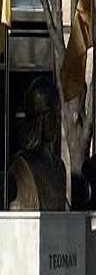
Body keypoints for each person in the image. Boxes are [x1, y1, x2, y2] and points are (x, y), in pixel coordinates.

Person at [8, 76, 67, 210]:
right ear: (39, 118)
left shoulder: (59, 167)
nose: (57, 121)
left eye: (58, 114)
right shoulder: (20, 165)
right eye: (52, 115)